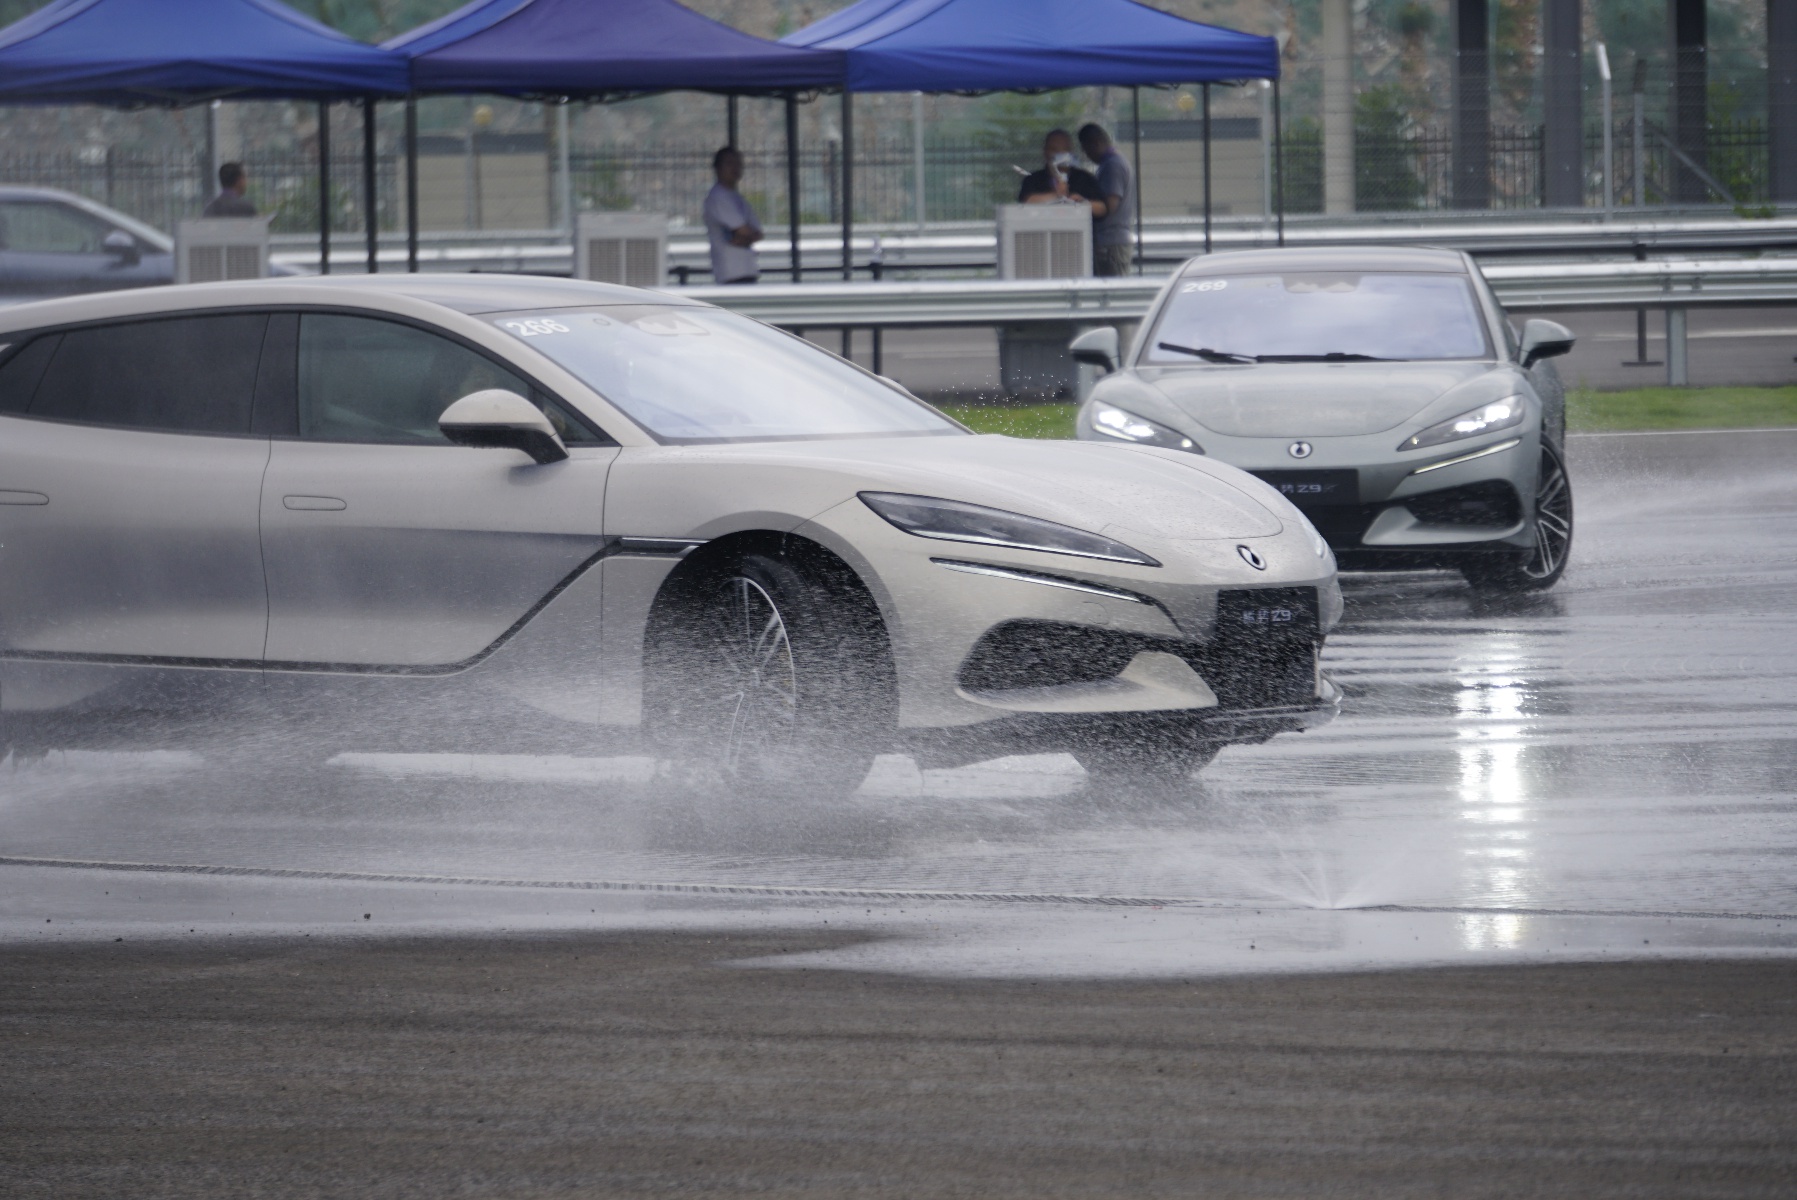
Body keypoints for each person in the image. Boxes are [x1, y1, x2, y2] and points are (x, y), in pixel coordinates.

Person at [1078, 124, 1134, 277]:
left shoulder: (1112, 166)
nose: (1086, 155)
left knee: (1113, 292)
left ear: (1095, 143)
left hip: (1111, 244)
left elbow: (1110, 205)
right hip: (1112, 242)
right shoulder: (1113, 163)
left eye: (1086, 149)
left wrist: (1082, 203)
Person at [703, 147, 762, 285]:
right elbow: (743, 230)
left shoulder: (737, 197)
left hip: (747, 268)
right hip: (731, 272)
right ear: (718, 168)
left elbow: (757, 233)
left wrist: (743, 236)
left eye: (738, 164)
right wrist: (744, 235)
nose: (735, 168)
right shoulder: (718, 197)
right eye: (730, 163)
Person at [1017, 129, 1107, 211]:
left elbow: (1102, 208)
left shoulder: (1084, 178)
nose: (1060, 154)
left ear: (1071, 152)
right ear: (1045, 152)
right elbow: (1025, 203)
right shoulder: (1033, 179)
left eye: (1065, 149)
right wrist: (1057, 195)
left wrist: (1083, 203)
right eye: (1054, 150)